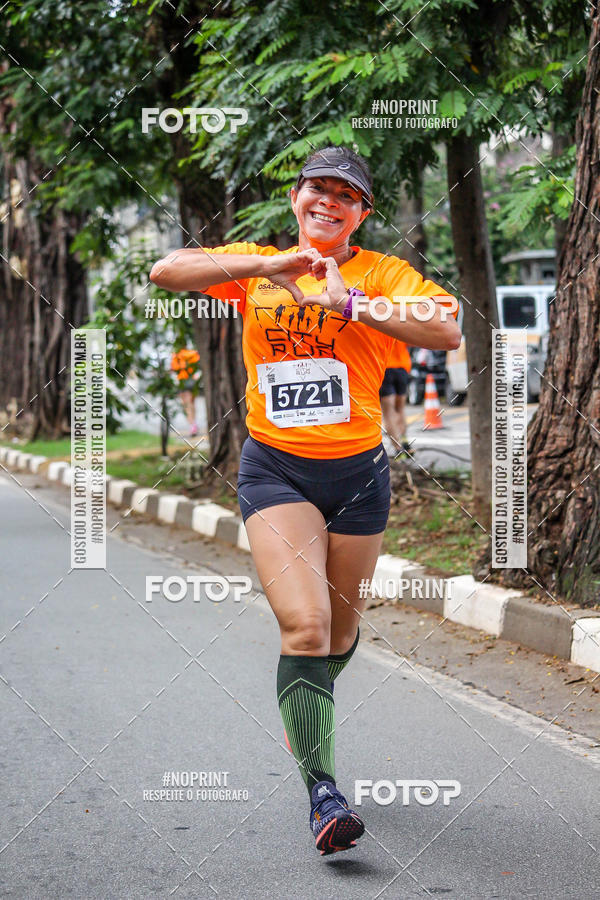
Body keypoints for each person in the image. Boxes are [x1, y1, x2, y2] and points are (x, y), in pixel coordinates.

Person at [150, 146, 460, 856]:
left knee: (340, 638)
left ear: (362, 214)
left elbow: (444, 329)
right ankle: (323, 793)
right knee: (308, 628)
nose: (328, 201)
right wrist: (270, 267)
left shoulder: (382, 274)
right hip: (276, 471)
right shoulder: (261, 268)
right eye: (316, 188)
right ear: (296, 198)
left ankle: (306, 701)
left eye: (345, 195)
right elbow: (166, 270)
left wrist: (345, 302)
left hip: (358, 476)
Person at [380, 339, 412, 458]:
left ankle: (398, 449)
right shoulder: (401, 326)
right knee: (400, 409)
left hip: (385, 367)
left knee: (389, 413)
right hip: (402, 367)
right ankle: (405, 442)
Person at [170, 346, 201, 436]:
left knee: (187, 405)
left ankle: (192, 425)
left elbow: (174, 368)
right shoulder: (192, 353)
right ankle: (194, 423)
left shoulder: (177, 355)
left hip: (183, 381)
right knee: (191, 404)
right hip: (193, 381)